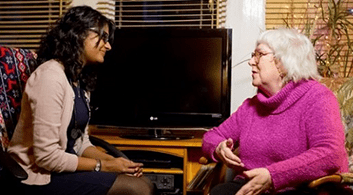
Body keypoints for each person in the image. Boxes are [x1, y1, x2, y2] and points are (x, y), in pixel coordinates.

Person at [8, 5, 154, 195]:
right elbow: (47, 158)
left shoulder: (79, 80)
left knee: (145, 182)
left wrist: (113, 161)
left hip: (63, 169)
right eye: (103, 37)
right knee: (138, 189)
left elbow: (79, 142)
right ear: (78, 34)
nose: (108, 45)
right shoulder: (49, 77)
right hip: (37, 176)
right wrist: (103, 166)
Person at [202, 28, 349, 195]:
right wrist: (218, 148)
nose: (251, 62)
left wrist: (273, 175)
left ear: (283, 63)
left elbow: (330, 154)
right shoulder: (250, 107)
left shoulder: (318, 98)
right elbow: (211, 137)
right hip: (253, 186)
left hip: (305, 187)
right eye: (253, 55)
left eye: (259, 54)